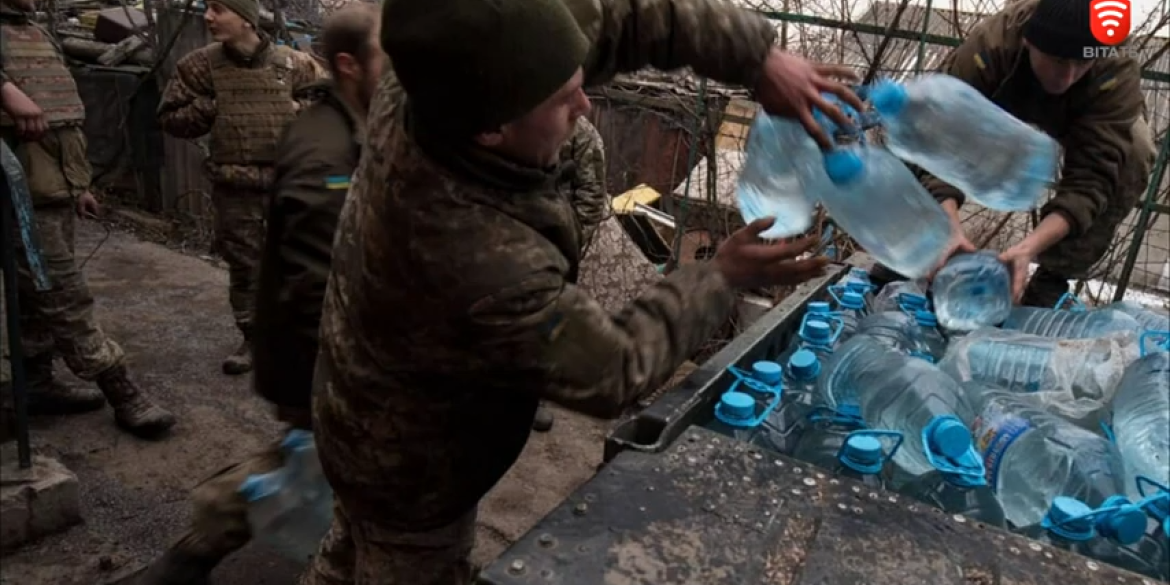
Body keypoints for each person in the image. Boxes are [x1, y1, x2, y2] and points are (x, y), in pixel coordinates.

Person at [301, 0, 862, 581]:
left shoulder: (443, 69)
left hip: (352, 380)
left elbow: (623, 18)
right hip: (405, 460)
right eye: (562, 99)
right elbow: (614, 368)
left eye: (578, 80)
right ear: (491, 129)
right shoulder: (475, 256)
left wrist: (758, 57)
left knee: (348, 544)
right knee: (398, 551)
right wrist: (722, 276)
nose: (586, 103)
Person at [131, 6, 385, 584]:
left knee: (314, 462)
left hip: (323, 352)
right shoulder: (327, 151)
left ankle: (197, 549)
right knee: (318, 463)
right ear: (349, 65)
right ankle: (198, 548)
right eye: (388, 59)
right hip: (320, 354)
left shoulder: (349, 123)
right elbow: (321, 278)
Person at [868, 0, 1155, 308]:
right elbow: (936, 139)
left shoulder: (1113, 64)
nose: (1068, 76)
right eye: (1058, 60)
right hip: (1003, 97)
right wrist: (948, 228)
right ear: (1029, 42)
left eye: (1079, 63)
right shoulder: (990, 48)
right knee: (913, 121)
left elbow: (1092, 180)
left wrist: (1028, 249)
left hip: (1084, 114)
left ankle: (1051, 280)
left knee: (1134, 152)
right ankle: (910, 253)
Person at [1, 0, 175, 437]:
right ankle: (121, 389)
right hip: (18, 193)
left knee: (33, 296)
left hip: (50, 188)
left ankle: (37, 383)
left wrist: (78, 187)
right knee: (62, 293)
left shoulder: (34, 31)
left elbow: (62, 121)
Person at [157, 0, 324, 375]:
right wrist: (209, 109)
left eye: (220, 8)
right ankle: (254, 339)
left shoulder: (293, 63)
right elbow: (169, 119)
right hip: (236, 190)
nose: (208, 16)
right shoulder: (200, 66)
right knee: (246, 268)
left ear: (247, 18)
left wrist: (296, 111)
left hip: (291, 186)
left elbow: (331, 107)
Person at [533, 116, 608, 433]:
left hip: (558, 247)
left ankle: (534, 397)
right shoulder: (519, 117)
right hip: (515, 237)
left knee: (550, 322)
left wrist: (570, 244)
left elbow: (591, 195)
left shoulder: (583, 134)